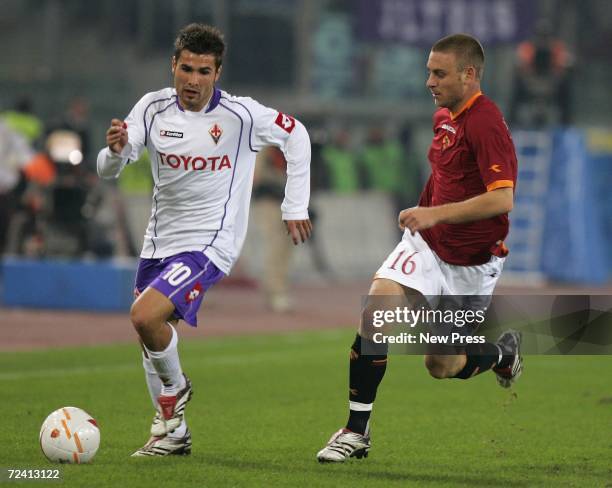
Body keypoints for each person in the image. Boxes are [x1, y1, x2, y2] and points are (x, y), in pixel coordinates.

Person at [97, 23, 312, 457]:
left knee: (143, 316)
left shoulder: (241, 115)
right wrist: (115, 151)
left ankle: (176, 391)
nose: (193, 80)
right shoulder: (152, 108)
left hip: (210, 244)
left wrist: (295, 205)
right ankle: (173, 434)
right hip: (158, 243)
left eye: (204, 72)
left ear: (218, 73)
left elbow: (298, 135)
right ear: (173, 65)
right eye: (187, 69)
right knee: (151, 338)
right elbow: (109, 168)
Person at [316, 33, 521, 463]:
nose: (429, 80)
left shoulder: (486, 123)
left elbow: (502, 199)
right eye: (428, 71)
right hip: (426, 245)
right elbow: (446, 178)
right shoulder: (444, 115)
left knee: (442, 365)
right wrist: (426, 217)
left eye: (439, 73)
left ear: (469, 74)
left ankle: (502, 353)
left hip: (470, 264)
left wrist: (435, 213)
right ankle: (356, 431)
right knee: (377, 310)